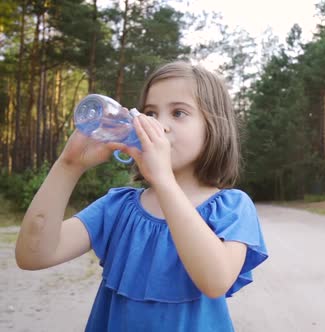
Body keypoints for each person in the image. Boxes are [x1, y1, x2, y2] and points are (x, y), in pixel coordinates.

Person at [15, 61, 268, 331]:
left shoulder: (232, 207)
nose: (159, 125)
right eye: (150, 112)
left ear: (214, 127)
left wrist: (163, 180)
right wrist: (68, 165)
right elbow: (34, 255)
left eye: (179, 113)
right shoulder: (118, 207)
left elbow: (216, 280)